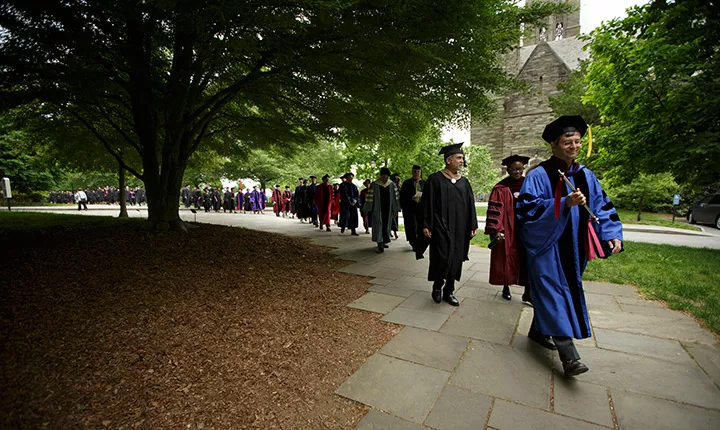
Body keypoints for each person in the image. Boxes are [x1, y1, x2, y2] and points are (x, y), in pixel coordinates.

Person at [517, 115, 623, 377]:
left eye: (576, 141)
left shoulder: (586, 175)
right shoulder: (539, 175)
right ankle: (569, 357)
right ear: (553, 144)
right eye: (567, 142)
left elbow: (601, 206)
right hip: (547, 247)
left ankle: (538, 332)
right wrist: (564, 203)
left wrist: (611, 233)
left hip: (574, 248)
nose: (574, 146)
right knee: (554, 294)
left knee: (557, 294)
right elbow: (527, 211)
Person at [419, 143, 477, 307]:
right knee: (442, 257)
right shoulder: (435, 179)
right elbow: (427, 203)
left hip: (459, 228)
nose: (461, 161)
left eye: (462, 158)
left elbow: (470, 204)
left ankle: (449, 290)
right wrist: (426, 224)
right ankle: (437, 286)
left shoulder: (464, 182)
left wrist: (472, 224)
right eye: (459, 158)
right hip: (440, 226)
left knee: (456, 259)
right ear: (448, 160)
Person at [485, 154, 531, 303]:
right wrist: (496, 230)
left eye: (520, 169)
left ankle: (528, 292)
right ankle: (506, 286)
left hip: (526, 229)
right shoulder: (501, 188)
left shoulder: (529, 184)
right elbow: (494, 210)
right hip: (508, 229)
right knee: (506, 258)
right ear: (508, 170)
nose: (517, 172)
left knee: (528, 260)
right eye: (513, 169)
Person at [363, 167, 400, 252]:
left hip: (388, 209)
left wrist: (395, 209)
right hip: (377, 209)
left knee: (386, 225)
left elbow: (396, 198)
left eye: (386, 176)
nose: (384, 178)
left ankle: (384, 241)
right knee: (378, 225)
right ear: (380, 176)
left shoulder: (392, 185)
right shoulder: (374, 185)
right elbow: (369, 198)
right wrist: (367, 208)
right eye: (383, 176)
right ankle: (379, 242)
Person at [400, 165, 425, 251]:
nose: (416, 174)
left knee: (420, 226)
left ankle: (419, 242)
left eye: (418, 172)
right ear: (412, 172)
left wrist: (421, 198)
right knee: (411, 226)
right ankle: (413, 242)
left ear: (420, 172)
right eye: (415, 172)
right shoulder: (406, 183)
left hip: (421, 208)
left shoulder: (424, 183)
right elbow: (402, 196)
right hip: (409, 208)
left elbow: (429, 196)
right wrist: (410, 198)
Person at [390, 174, 402, 239]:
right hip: (391, 206)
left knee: (394, 220)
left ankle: (393, 232)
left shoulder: (398, 186)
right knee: (392, 220)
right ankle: (393, 233)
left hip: (396, 206)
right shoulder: (391, 186)